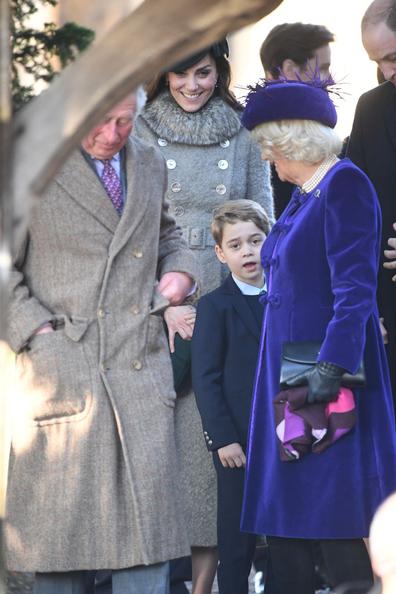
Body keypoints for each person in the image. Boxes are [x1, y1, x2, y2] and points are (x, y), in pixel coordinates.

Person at [5, 92, 202, 594]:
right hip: (64, 370)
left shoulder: (149, 159)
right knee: (61, 550)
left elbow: (167, 235)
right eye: (100, 121)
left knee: (146, 546)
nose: (113, 135)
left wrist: (180, 272)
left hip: (140, 364)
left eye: (125, 121)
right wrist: (36, 331)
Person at [239, 77, 396, 594]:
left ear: (290, 141)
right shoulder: (305, 193)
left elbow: (355, 290)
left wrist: (331, 367)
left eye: (267, 144)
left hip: (319, 371)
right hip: (289, 368)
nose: (265, 157)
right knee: (287, 511)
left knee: (331, 511)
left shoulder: (345, 184)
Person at [133, 39, 273, 593]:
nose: (192, 85)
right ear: (163, 74)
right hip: (156, 305)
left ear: (220, 72)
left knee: (212, 448)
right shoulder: (139, 130)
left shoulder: (241, 136)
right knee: (159, 451)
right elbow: (134, 228)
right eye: (180, 74)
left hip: (228, 302)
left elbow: (266, 218)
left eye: (204, 72)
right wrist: (162, 305)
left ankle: (205, 584)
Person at [191, 199, 270, 594]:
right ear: (221, 254)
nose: (248, 252)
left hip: (289, 431)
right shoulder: (214, 306)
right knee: (236, 532)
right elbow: (205, 378)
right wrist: (222, 438)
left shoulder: (289, 295)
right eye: (236, 245)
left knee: (288, 528)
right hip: (236, 439)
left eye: (256, 241)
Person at [347, 0, 396, 407]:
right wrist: (366, 308)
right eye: (378, 61)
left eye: (394, 57)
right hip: (388, 314)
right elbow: (355, 216)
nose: (387, 72)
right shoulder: (371, 107)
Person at [259, 22, 335, 218]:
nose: (329, 79)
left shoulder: (322, 125)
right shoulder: (252, 135)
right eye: (322, 68)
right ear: (289, 68)